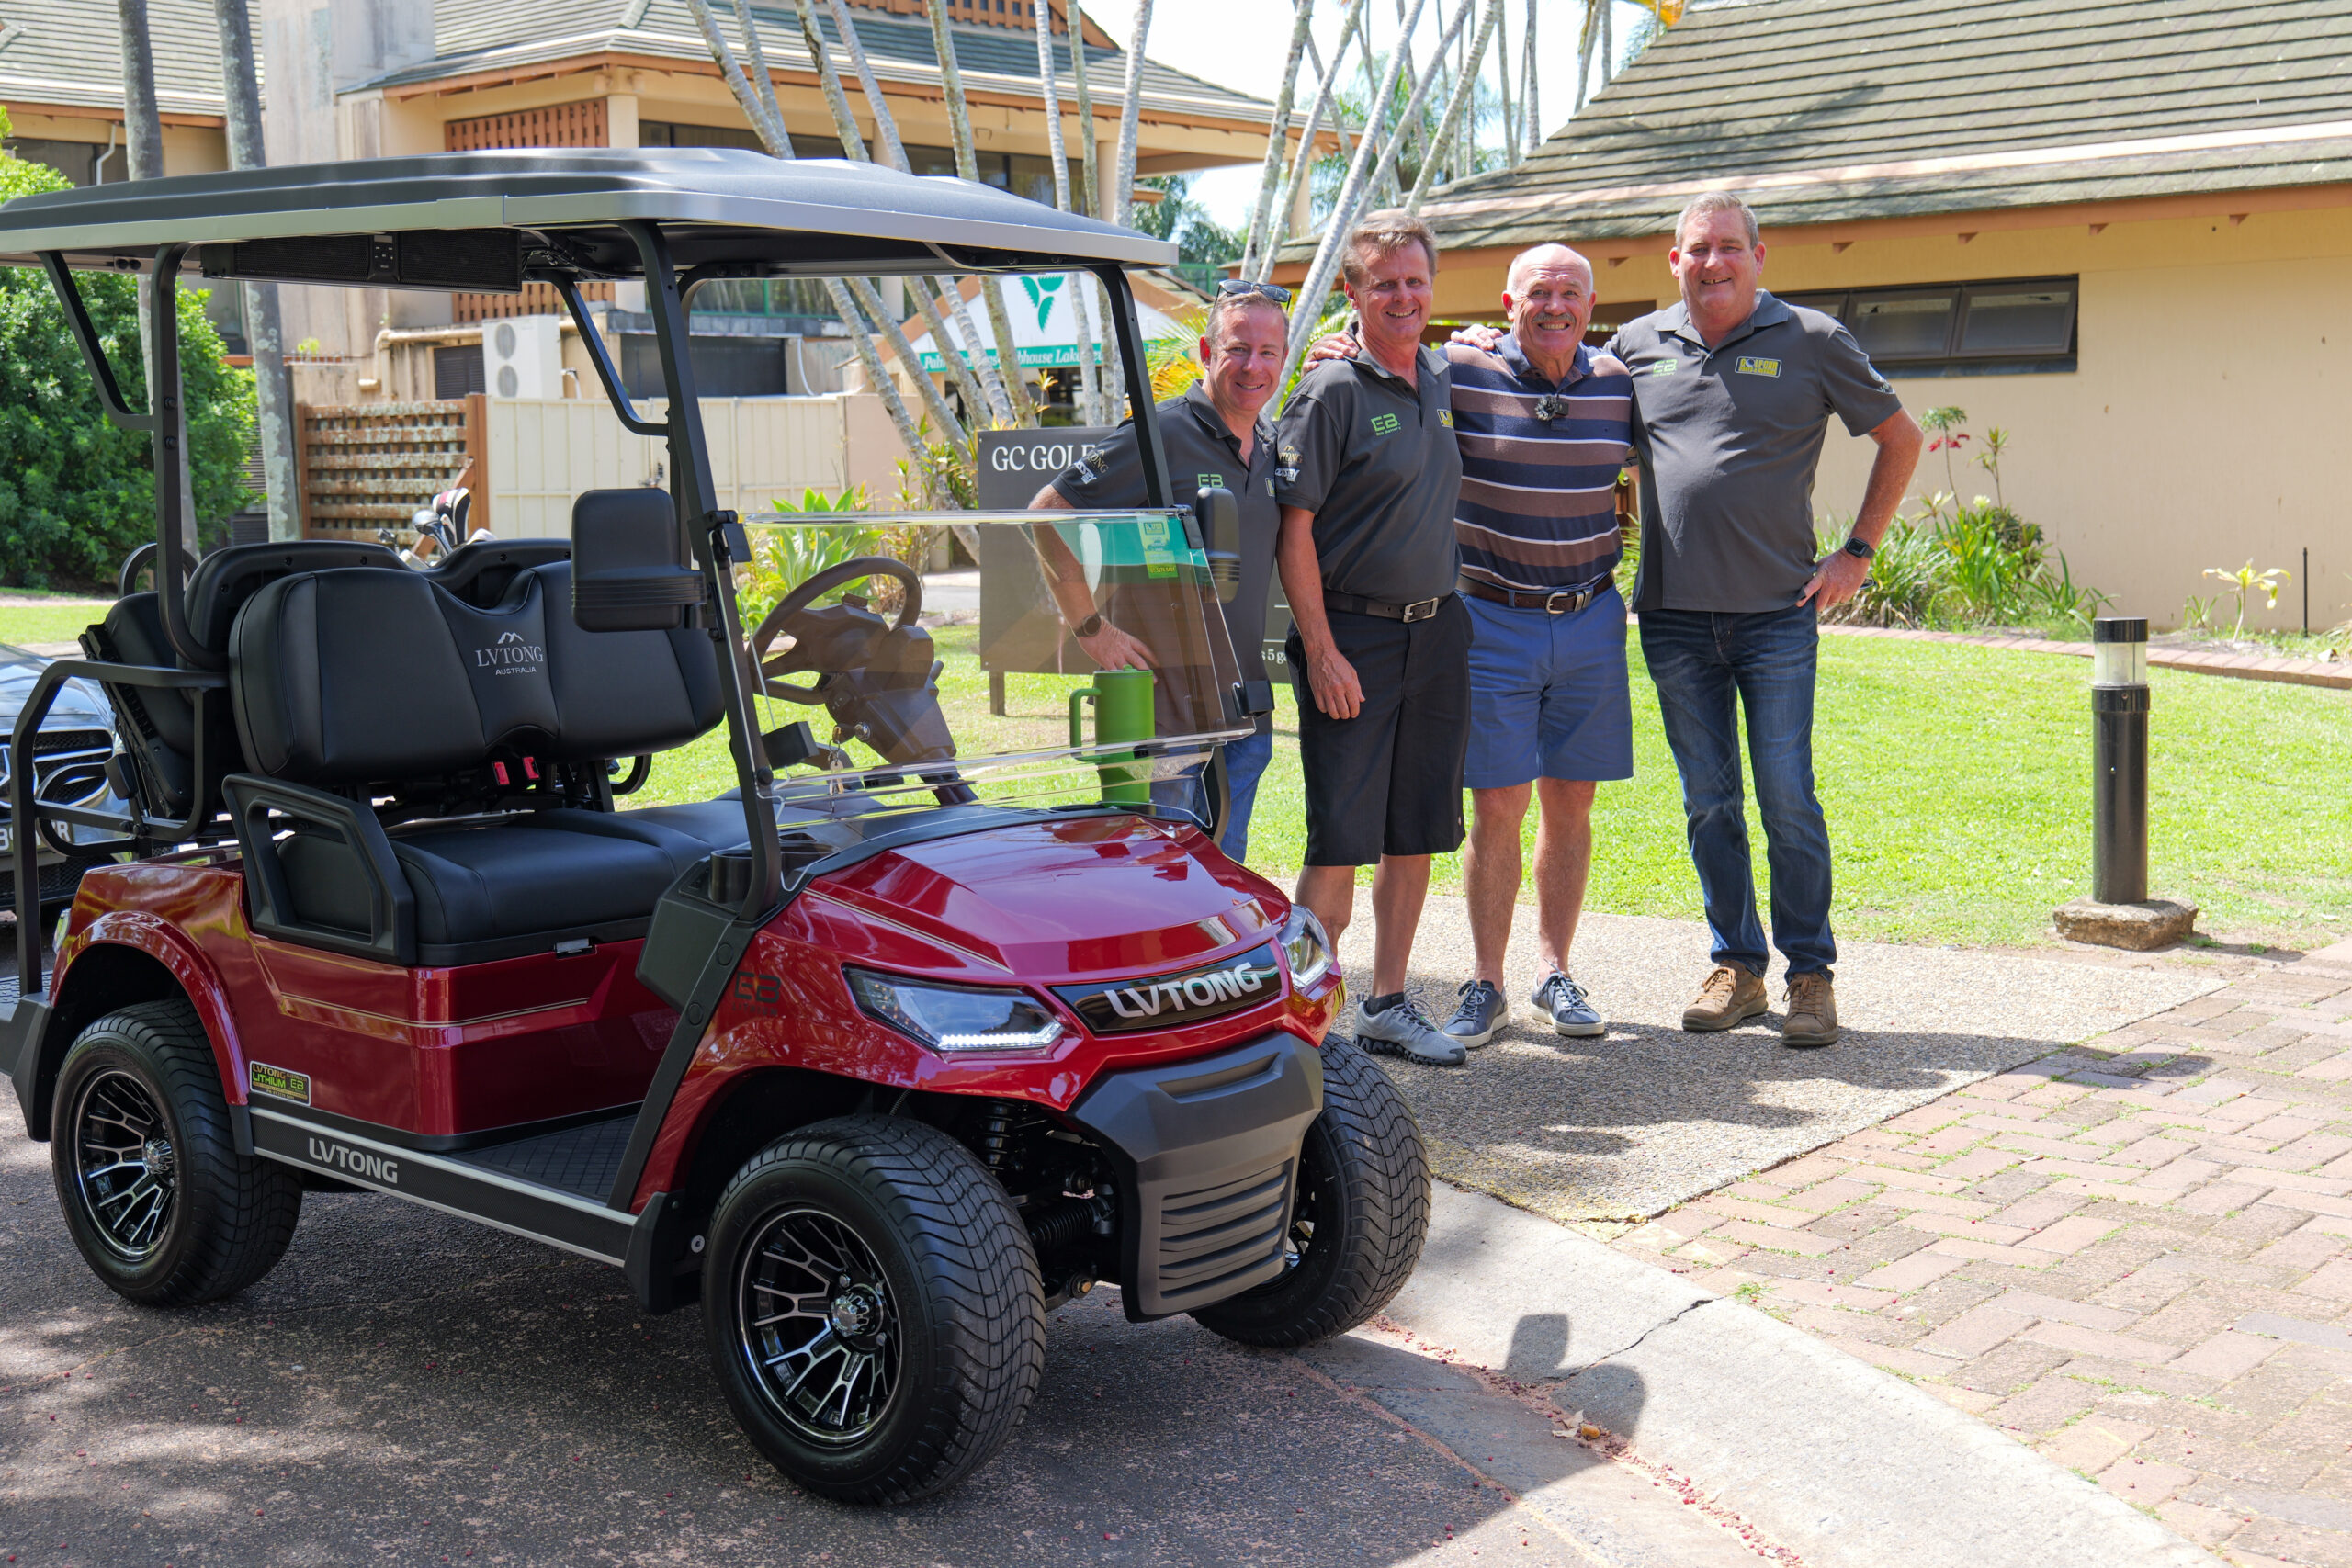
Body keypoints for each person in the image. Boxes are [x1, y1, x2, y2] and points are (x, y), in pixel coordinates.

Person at [1307, 243, 1638, 1052]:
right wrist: (1337, 340)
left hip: (1592, 614)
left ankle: (1554, 969)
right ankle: (1485, 981)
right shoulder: (1461, 367)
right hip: (1491, 615)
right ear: (1506, 302)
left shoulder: (1618, 383)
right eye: (1538, 293)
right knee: (1497, 803)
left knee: (1573, 802)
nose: (1555, 306)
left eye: (1571, 293)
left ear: (1592, 308)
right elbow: (1389, 346)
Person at [1615, 191, 1922, 1046]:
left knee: (1788, 798)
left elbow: (1902, 438)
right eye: (1696, 249)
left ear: (1759, 255)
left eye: (1728, 248)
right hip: (1674, 618)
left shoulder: (1814, 340)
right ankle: (1739, 968)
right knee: (1709, 802)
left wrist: (1857, 552)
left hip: (1777, 617)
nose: (1712, 263)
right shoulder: (1637, 346)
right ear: (1673, 260)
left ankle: (1811, 976)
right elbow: (1553, 388)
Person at [1275, 215, 1470, 1068]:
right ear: (1352, 294)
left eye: (1415, 282)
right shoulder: (1332, 393)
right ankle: (1300, 1025)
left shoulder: (1436, 375)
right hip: (1352, 635)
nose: (1403, 297)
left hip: (1437, 633)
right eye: (1383, 283)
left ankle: (1387, 1003)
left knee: (1413, 831)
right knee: (1341, 838)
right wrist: (1321, 650)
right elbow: (1294, 531)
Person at [1030, 280, 1287, 862]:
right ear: (1205, 351)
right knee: (1158, 877)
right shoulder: (1159, 434)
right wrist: (1090, 628)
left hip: (1243, 712)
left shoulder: (1272, 445)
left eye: (1268, 352)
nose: (1253, 367)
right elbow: (1046, 513)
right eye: (1237, 349)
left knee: (1225, 873)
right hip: (1166, 716)